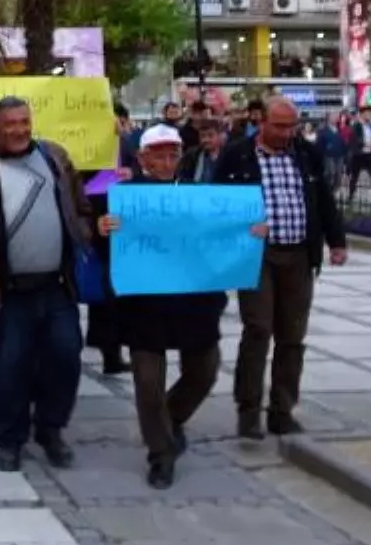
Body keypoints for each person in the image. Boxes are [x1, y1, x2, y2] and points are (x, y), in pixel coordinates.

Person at [97, 125, 261, 489]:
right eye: (158, 155)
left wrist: (250, 233)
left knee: (204, 371)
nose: (166, 162)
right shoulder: (124, 196)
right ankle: (161, 454)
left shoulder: (198, 196)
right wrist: (102, 227)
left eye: (173, 155)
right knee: (148, 381)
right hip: (145, 307)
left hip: (195, 304)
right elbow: (98, 233)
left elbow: (224, 233)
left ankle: (169, 419)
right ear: (142, 159)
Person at [0, 96, 91, 472]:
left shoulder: (55, 156)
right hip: (5, 290)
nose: (18, 130)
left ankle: (51, 429)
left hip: (56, 286)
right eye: (9, 123)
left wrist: (88, 234)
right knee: (9, 367)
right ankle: (10, 439)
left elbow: (79, 205)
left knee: (65, 355)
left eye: (24, 121)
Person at [214, 96, 347, 438]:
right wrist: (236, 229)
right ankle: (248, 409)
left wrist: (337, 241)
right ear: (262, 123)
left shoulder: (305, 154)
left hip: (299, 255)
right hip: (256, 255)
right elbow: (216, 203)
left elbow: (324, 200)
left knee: (292, 335)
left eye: (293, 126)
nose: (287, 133)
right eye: (280, 126)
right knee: (258, 329)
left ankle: (282, 409)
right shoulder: (237, 155)